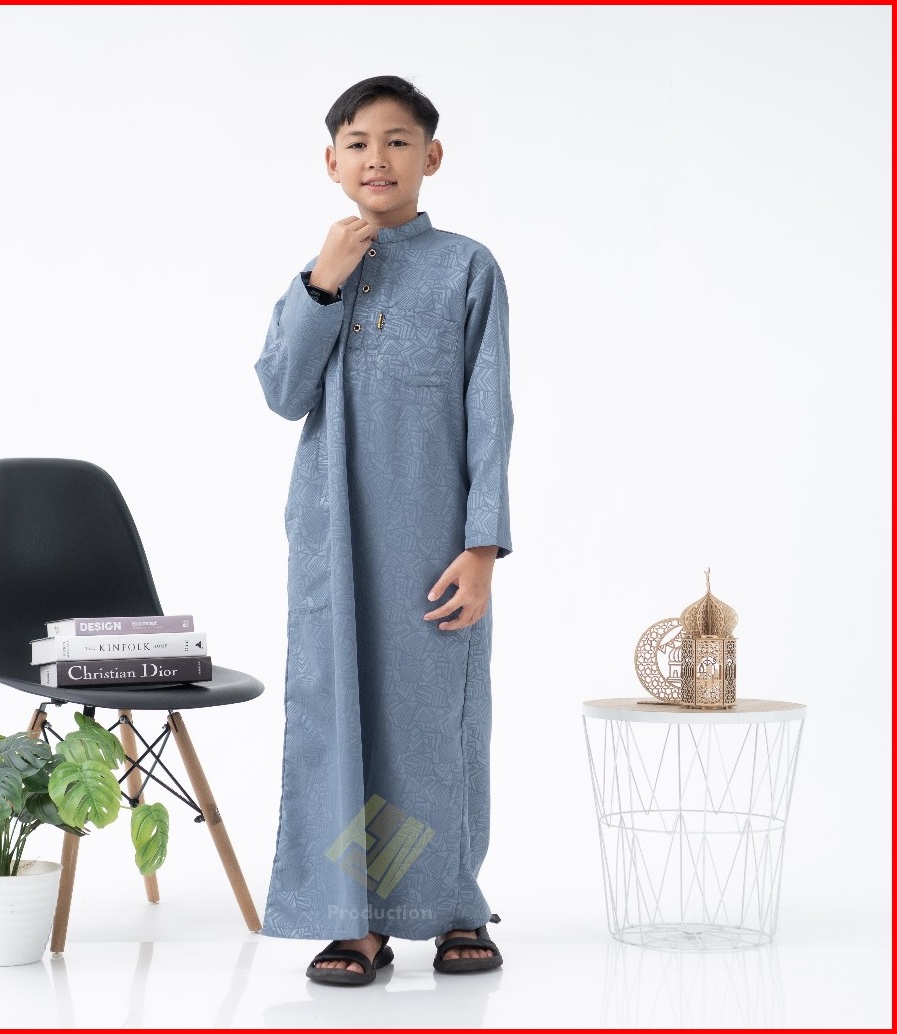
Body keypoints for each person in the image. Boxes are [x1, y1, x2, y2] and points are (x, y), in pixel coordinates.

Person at [254, 75, 513, 986]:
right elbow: (282, 391)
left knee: (433, 725)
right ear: (331, 162)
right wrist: (323, 281)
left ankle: (452, 906)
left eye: (398, 141)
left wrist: (482, 547)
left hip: (434, 545)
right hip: (334, 543)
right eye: (358, 143)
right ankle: (358, 919)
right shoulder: (321, 270)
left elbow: (490, 412)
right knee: (343, 722)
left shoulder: (468, 267)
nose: (378, 158)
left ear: (430, 157)